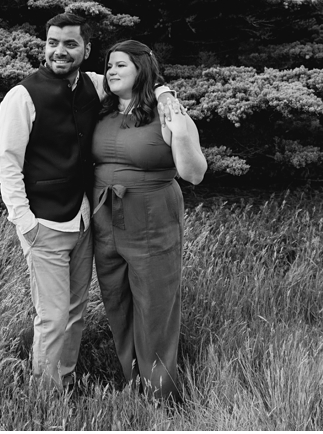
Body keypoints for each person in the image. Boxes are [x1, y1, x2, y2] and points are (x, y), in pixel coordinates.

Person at [0, 14, 174, 390]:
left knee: (76, 312)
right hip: (44, 223)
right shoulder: (22, 96)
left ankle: (65, 379)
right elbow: (7, 166)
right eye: (52, 43)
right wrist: (25, 223)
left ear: (86, 49)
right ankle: (44, 395)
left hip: (84, 221)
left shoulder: (95, 84)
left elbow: (137, 78)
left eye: (70, 44)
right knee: (54, 316)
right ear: (45, 45)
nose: (60, 51)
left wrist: (165, 92)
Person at [90, 39, 207, 402]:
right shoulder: (102, 105)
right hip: (104, 217)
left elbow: (195, 173)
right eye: (109, 64)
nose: (111, 71)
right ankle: (133, 381)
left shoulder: (168, 112)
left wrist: (175, 113)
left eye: (121, 65)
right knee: (117, 301)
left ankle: (160, 394)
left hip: (152, 216)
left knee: (154, 306)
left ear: (141, 69)